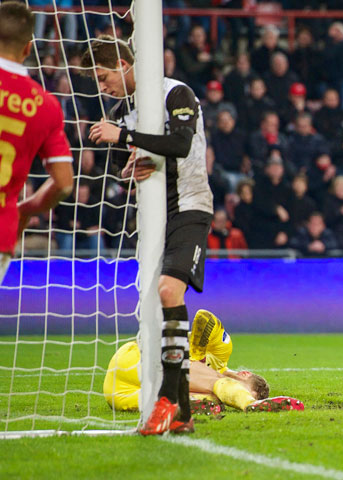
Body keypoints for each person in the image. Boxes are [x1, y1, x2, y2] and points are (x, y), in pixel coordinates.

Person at [83, 35, 214, 435]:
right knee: (157, 304)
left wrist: (124, 137)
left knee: (168, 293)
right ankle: (185, 415)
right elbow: (154, 152)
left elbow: (179, 142)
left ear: (123, 64)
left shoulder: (176, 93)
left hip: (191, 206)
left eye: (104, 78)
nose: (102, 87)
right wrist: (135, 162)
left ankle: (168, 399)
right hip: (156, 215)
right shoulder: (133, 109)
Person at [104, 309, 304, 415]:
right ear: (244, 375)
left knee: (202, 401)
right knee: (213, 383)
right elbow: (204, 317)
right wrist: (198, 356)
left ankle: (186, 404)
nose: (230, 398)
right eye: (240, 390)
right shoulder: (220, 354)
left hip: (117, 390)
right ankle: (251, 404)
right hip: (140, 358)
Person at [0, 2, 73, 284]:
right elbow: (65, 184)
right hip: (3, 231)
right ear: (28, 48)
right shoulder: (46, 105)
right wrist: (26, 209)